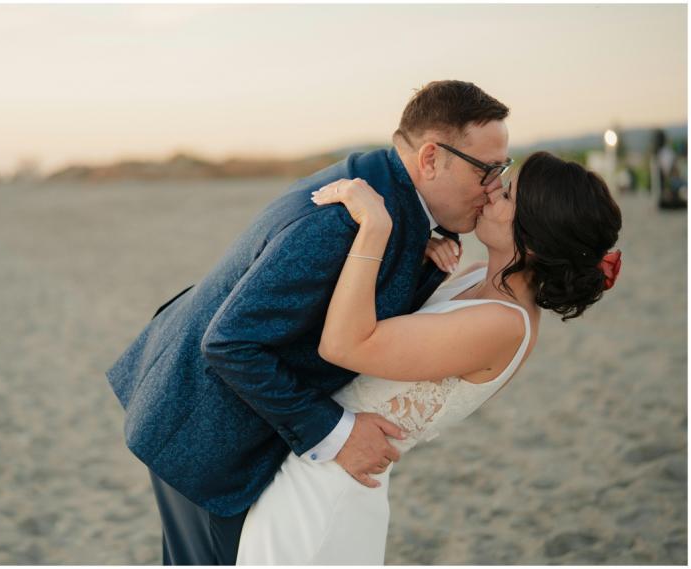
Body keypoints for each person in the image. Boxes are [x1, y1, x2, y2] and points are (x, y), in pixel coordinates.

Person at [105, 80, 512, 565]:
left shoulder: (395, 203)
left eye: (502, 170)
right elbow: (231, 343)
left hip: (228, 414)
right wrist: (337, 432)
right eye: (487, 171)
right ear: (429, 159)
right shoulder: (339, 224)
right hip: (201, 426)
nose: (495, 189)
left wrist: (419, 253)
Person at [235, 151, 623, 564]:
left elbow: (344, 346)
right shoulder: (479, 276)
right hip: (315, 458)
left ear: (537, 238)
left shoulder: (503, 324)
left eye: (507, 194)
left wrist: (376, 229)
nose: (492, 191)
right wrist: (418, 259)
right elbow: (402, 338)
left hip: (326, 491)